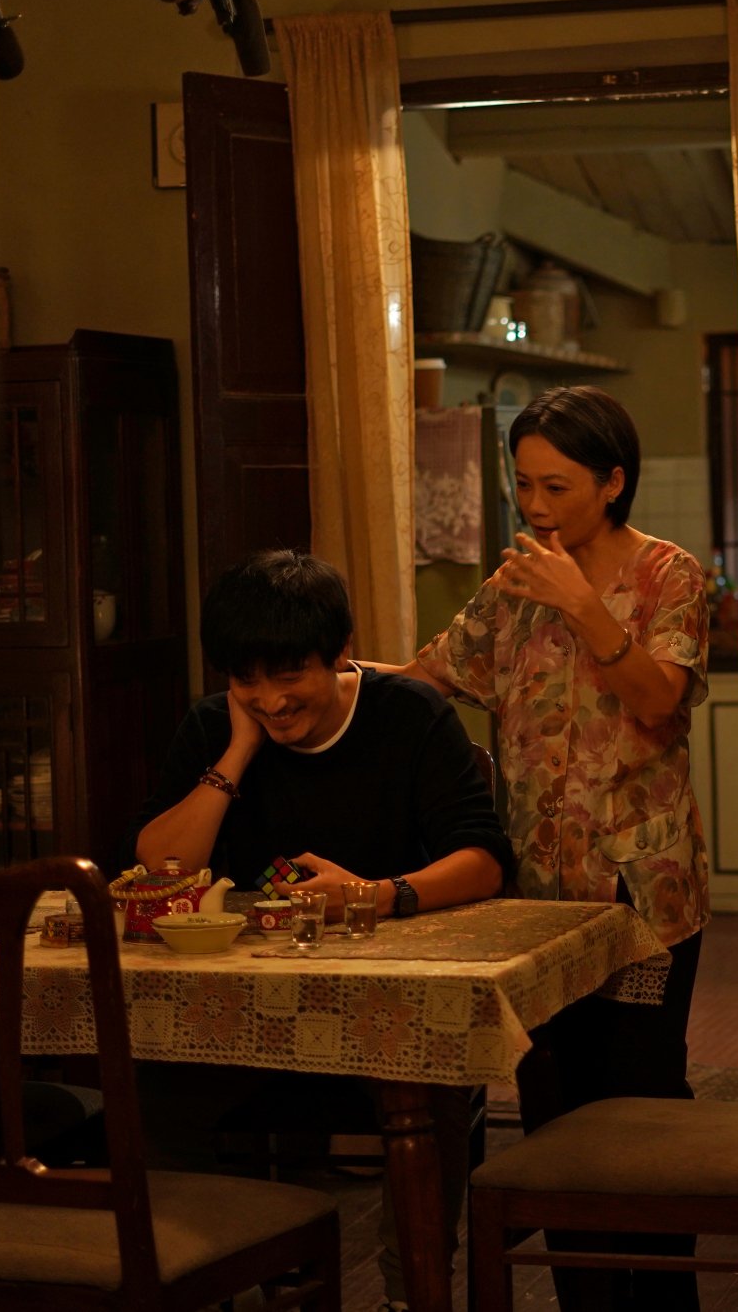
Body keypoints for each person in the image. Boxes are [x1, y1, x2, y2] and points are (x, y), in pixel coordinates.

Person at [378, 384, 711, 1311]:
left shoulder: (667, 574)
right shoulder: (513, 581)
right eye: (523, 486)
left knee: (638, 1110)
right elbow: (429, 679)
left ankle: (657, 1300)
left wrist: (583, 606)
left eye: (555, 487)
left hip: (641, 901)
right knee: (557, 1115)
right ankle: (586, 1299)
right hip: (535, 906)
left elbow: (657, 701)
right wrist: (326, 675)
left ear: (613, 482)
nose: (534, 508)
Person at [129, 548, 513, 1312]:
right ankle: (194, 1280)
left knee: (432, 1078)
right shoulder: (219, 726)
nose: (270, 700)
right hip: (239, 1021)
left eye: (288, 675)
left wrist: (376, 893)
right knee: (153, 1077)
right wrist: (239, 750)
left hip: (382, 1018)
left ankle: (415, 1294)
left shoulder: (409, 715)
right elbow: (161, 863)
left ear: (338, 653)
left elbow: (485, 859)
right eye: (248, 680)